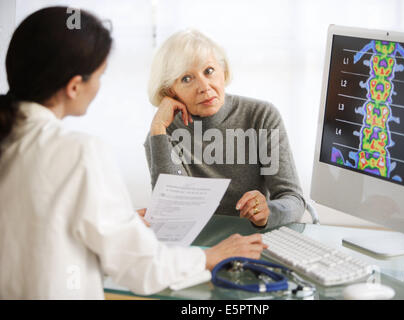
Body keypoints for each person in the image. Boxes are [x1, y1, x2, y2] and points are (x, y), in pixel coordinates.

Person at [0, 7, 266, 299]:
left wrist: (114, 218)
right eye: (100, 75)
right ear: (75, 86)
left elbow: (35, 222)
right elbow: (142, 267)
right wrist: (211, 256)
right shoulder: (79, 151)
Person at [144, 29, 306, 229]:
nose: (204, 86)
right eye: (187, 78)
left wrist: (268, 212)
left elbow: (294, 201)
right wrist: (158, 129)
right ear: (170, 91)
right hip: (196, 251)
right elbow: (173, 215)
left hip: (250, 244)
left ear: (224, 71)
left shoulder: (261, 116)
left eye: (209, 71)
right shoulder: (161, 134)